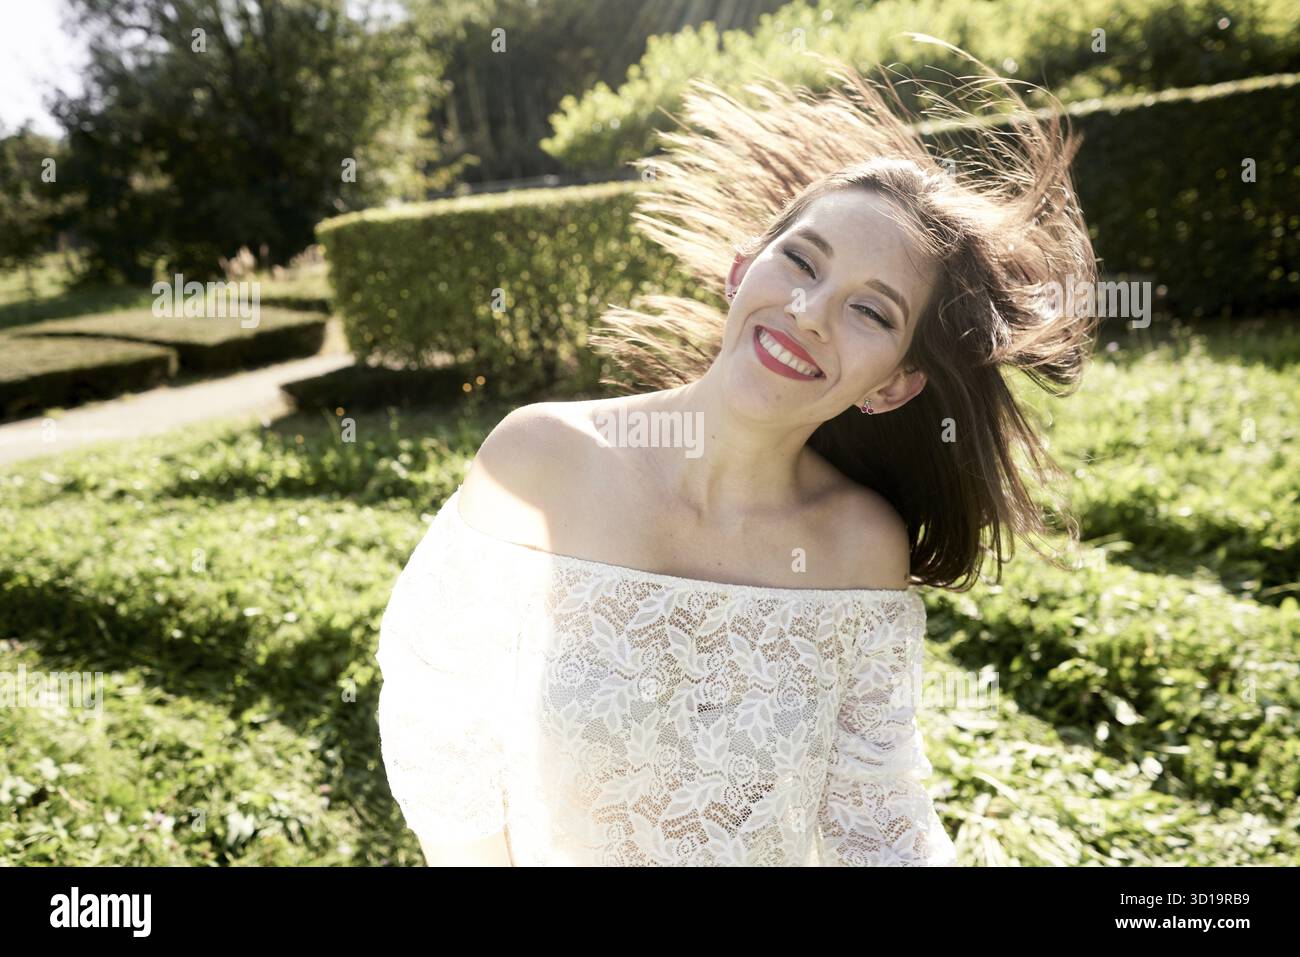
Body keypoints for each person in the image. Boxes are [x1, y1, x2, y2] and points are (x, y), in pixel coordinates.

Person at [376, 36, 1099, 866]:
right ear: (740, 268)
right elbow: (439, 722)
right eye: (801, 261)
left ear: (894, 385)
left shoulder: (859, 544)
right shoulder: (540, 460)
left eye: (873, 312)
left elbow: (876, 816)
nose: (810, 311)